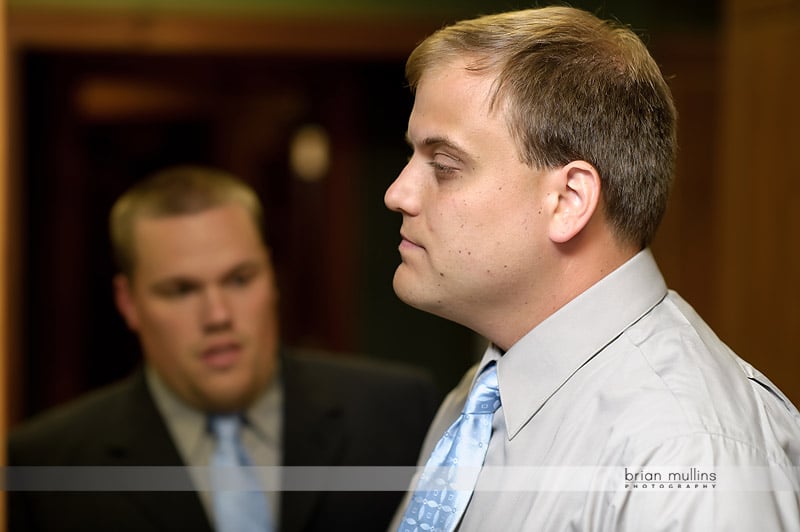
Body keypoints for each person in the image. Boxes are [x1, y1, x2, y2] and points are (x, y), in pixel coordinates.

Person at [384, 6, 800, 531]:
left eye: (443, 166)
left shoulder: (682, 453)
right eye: (411, 158)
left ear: (569, 200)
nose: (397, 193)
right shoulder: (482, 396)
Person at [8, 165, 439, 532]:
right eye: (180, 290)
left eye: (239, 279)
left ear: (271, 277)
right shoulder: (49, 466)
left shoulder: (397, 412)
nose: (217, 315)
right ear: (129, 303)